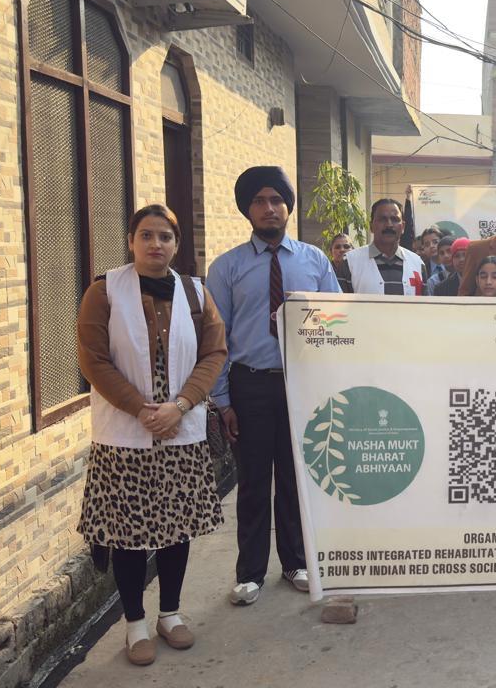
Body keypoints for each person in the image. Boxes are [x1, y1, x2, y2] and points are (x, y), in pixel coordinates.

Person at [77, 204, 228, 665]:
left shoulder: (196, 292)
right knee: (128, 533)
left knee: (176, 529)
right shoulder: (103, 292)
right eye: (146, 235)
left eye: (165, 236)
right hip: (125, 432)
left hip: (179, 426)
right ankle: (135, 624)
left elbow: (214, 352)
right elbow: (93, 359)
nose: (155, 244)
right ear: (130, 241)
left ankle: (169, 613)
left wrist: (180, 405)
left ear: (176, 244)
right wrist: (140, 409)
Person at [207, 166, 342, 608]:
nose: (269, 208)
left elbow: (336, 323)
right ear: (247, 209)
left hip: (303, 384)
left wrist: (329, 383)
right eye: (259, 201)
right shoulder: (227, 267)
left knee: (295, 476)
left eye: (277, 200)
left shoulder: (314, 261)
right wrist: (223, 399)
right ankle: (249, 573)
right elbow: (216, 338)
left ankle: (295, 562)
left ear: (288, 207)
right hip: (251, 384)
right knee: (252, 480)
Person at [336, 198, 427, 295]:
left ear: (403, 227)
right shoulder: (350, 263)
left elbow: (425, 303)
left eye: (395, 219)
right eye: (382, 219)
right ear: (371, 226)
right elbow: (339, 302)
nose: (389, 225)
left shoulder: (417, 264)